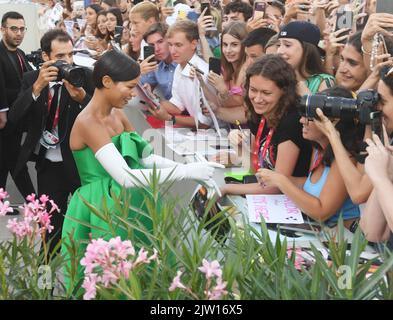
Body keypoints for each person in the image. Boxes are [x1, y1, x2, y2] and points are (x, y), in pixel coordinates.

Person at [60, 49, 221, 289]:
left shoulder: (118, 114)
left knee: (140, 275)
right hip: (102, 209)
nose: (133, 94)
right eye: (129, 86)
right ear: (106, 82)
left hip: (132, 204)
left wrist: (191, 167)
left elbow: (145, 158)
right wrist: (187, 172)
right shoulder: (88, 122)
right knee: (111, 281)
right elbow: (125, 177)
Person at [9, 29, 95, 251]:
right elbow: (15, 118)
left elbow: (102, 118)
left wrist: (83, 98)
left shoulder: (84, 76)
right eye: (60, 57)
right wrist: (36, 88)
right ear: (46, 57)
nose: (67, 61)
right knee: (49, 232)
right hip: (48, 167)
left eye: (70, 54)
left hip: (79, 165)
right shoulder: (31, 78)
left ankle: (84, 282)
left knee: (87, 228)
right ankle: (45, 282)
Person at [257, 86, 362, 230]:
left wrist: (281, 181)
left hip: (345, 241)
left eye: (309, 118)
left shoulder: (346, 158)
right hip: (320, 231)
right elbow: (310, 185)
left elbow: (321, 211)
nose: (301, 121)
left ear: (332, 122)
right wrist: (273, 178)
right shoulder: (318, 148)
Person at [219, 55, 312, 196]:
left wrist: (226, 189)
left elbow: (276, 185)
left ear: (284, 92)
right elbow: (258, 170)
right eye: (253, 90)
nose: (257, 99)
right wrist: (239, 148)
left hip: (290, 201)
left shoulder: (292, 121)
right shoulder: (258, 114)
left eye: (266, 93)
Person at [147, 20, 215, 128]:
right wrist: (149, 99)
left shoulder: (202, 72)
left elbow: (205, 123)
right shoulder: (179, 67)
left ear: (194, 44)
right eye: (170, 44)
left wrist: (170, 119)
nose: (173, 51)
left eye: (178, 45)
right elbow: (177, 106)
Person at [0, 11, 35, 201]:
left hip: (17, 117)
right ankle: (36, 202)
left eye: (22, 29)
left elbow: (27, 81)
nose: (18, 33)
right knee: (15, 162)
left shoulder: (20, 53)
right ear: (3, 29)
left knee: (7, 162)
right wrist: (2, 111)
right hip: (6, 119)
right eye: (14, 29)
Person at [277, 21, 336, 95]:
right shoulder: (275, 77)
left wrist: (306, 97)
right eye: (279, 45)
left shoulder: (322, 81)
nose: (280, 51)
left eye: (287, 45)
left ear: (307, 50)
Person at [139, 23, 177, 101]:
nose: (156, 49)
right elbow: (140, 91)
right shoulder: (157, 68)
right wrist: (139, 72)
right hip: (171, 110)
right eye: (152, 45)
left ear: (170, 40)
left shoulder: (184, 62)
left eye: (160, 42)